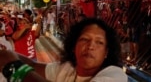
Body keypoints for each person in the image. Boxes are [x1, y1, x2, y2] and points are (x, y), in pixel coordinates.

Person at [0, 18, 128, 82]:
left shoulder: (116, 75)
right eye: (84, 39)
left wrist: (13, 67)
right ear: (73, 46)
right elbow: (32, 65)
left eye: (99, 42)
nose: (90, 46)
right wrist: (8, 54)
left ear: (106, 52)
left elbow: (22, 68)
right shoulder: (67, 69)